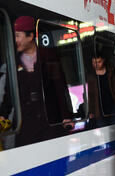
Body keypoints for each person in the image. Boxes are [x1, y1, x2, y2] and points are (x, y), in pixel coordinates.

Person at [0, 16, 74, 148]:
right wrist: (3, 114)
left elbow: (59, 88)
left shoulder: (48, 57)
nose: (15, 40)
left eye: (18, 36)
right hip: (26, 129)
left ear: (30, 36)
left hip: (50, 126)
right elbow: (9, 94)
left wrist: (66, 116)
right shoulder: (14, 62)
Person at [86, 50, 115, 128]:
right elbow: (91, 95)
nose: (96, 65)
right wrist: (91, 112)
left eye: (99, 62)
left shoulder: (111, 71)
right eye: (94, 62)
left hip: (114, 106)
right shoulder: (91, 76)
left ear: (104, 60)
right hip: (100, 110)